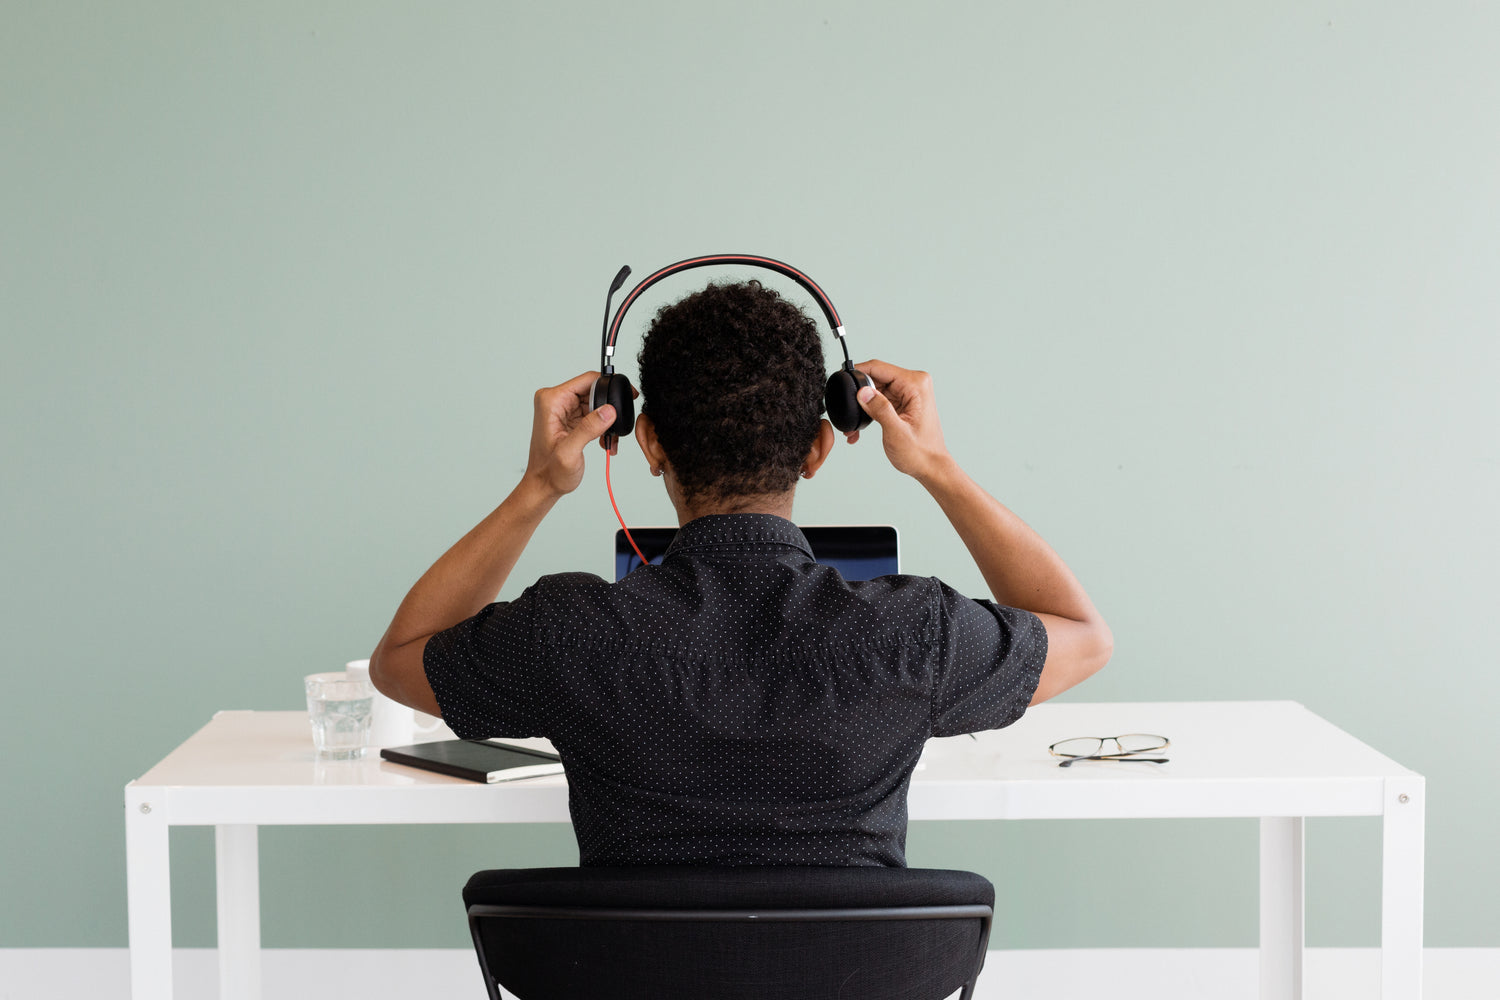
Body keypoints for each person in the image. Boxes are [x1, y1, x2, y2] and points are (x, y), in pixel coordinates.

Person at [369, 280, 1111, 866]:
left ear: (647, 439)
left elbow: (399, 660)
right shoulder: (916, 634)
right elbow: (1084, 636)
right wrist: (938, 468)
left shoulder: (567, 633)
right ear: (820, 449)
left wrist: (538, 485)